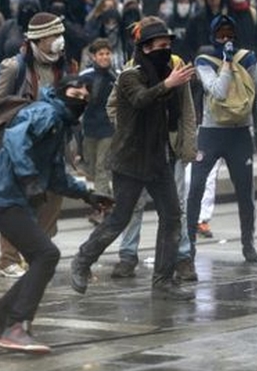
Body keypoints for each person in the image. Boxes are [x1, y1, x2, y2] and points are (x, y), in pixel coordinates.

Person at [0, 76, 109, 353]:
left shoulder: (60, 124)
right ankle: (16, 326)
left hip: (8, 197)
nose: (80, 101)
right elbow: (15, 140)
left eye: (85, 98)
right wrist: (29, 180)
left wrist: (87, 195)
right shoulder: (46, 112)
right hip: (2, 195)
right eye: (75, 94)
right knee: (46, 254)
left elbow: (56, 175)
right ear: (61, 92)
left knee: (41, 258)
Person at [69, 16, 196, 301]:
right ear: (146, 48)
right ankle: (82, 261)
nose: (166, 51)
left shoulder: (168, 73)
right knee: (120, 217)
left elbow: (180, 112)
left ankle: (163, 281)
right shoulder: (130, 75)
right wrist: (168, 84)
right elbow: (140, 99)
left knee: (172, 216)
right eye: (160, 46)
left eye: (168, 46)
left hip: (158, 157)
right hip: (129, 160)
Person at [186, 14, 257, 264]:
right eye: (220, 34)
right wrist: (226, 62)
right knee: (196, 187)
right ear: (212, 36)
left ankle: (248, 243)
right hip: (211, 132)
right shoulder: (204, 61)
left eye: (230, 34)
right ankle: (188, 245)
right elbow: (218, 91)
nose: (226, 39)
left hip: (240, 133)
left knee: (245, 193)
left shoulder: (248, 58)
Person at [0, 12, 68, 278]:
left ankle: (36, 254)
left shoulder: (61, 67)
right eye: (54, 35)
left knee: (52, 203)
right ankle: (8, 260)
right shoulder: (15, 67)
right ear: (39, 39)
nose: (60, 40)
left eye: (60, 34)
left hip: (52, 148)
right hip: (21, 147)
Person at [78, 37, 116, 225]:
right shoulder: (86, 77)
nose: (105, 57)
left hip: (108, 129)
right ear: (93, 56)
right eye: (101, 54)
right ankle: (108, 204)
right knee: (92, 168)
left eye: (107, 53)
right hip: (89, 128)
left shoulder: (115, 77)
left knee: (102, 167)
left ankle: (101, 209)